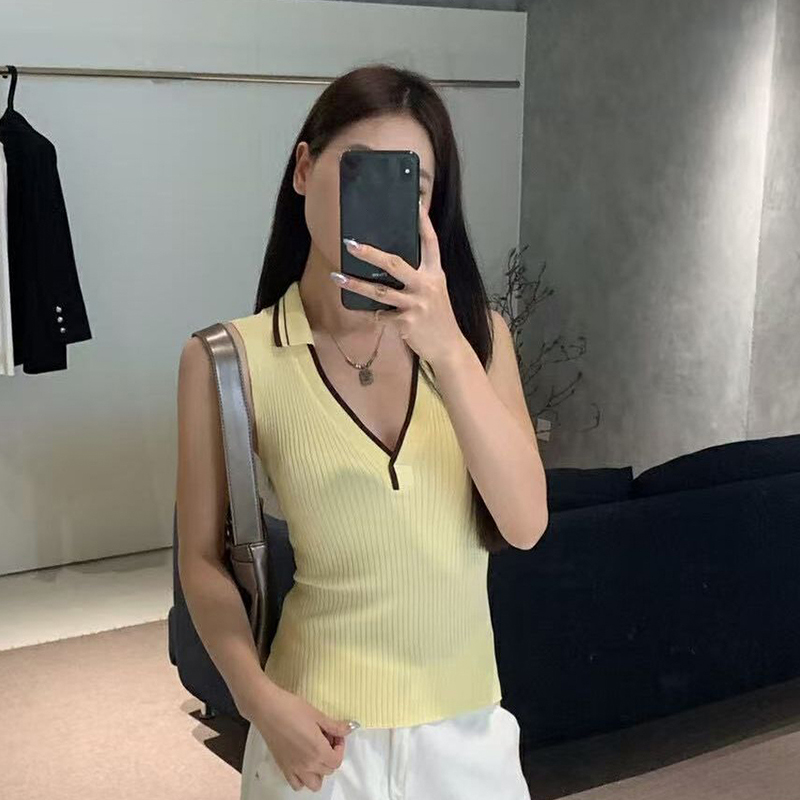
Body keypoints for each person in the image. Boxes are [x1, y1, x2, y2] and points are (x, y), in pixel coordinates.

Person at [176, 63, 548, 799]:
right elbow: (201, 560)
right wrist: (258, 701)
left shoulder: (480, 340)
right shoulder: (229, 359)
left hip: (467, 736)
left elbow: (525, 523)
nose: (376, 202)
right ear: (304, 170)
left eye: (409, 182)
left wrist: (447, 349)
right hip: (314, 736)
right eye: (356, 170)